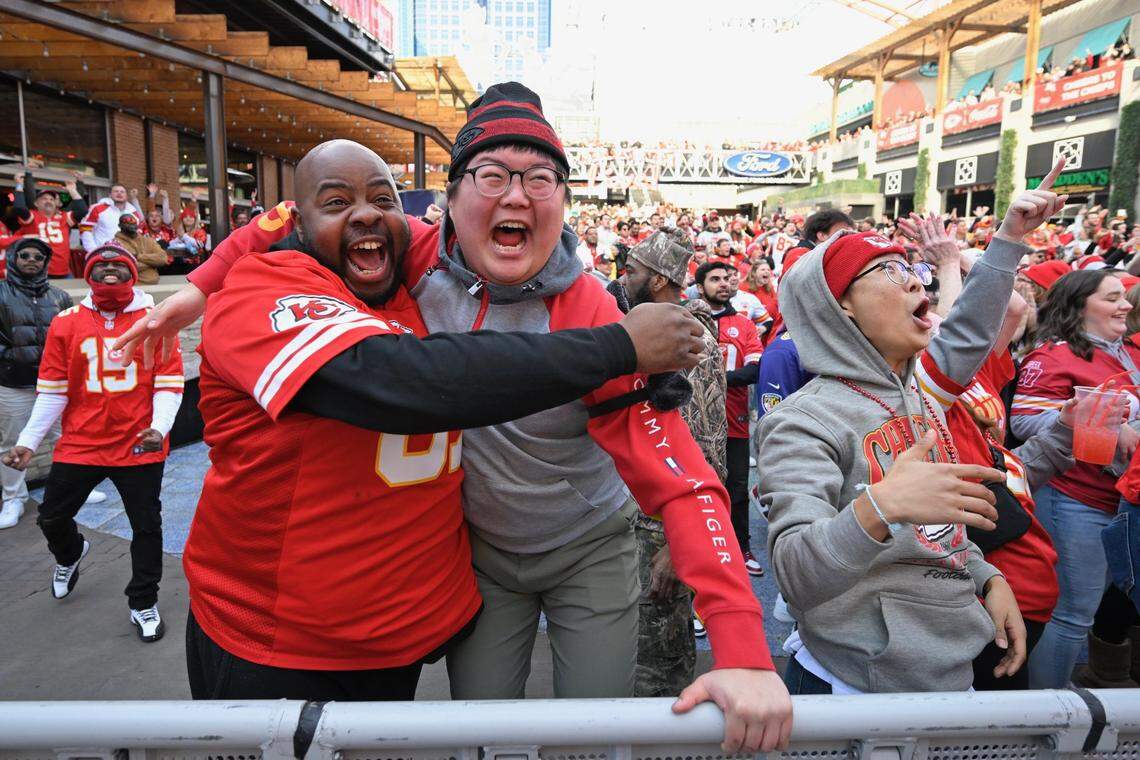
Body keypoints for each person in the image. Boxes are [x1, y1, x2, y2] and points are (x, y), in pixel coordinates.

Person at [119, 86, 793, 752]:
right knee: (482, 738)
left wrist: (743, 646)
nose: (515, 196)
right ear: (452, 202)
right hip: (404, 590)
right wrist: (204, 283)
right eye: (492, 176)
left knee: (589, 734)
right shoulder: (404, 260)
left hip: (570, 549)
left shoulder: (584, 305)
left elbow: (681, 476)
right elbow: (311, 229)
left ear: (565, 201)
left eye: (540, 178)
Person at [178, 139, 707, 705]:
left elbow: (476, 222)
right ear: (298, 225)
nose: (364, 214)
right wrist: (616, 347)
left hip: (391, 641)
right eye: (334, 204)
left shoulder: (403, 281)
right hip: (279, 646)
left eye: (383, 198)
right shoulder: (265, 285)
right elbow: (403, 381)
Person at [758, 164, 1068, 694]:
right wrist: (877, 508)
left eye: (911, 269)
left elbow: (939, 533)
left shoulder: (922, 399)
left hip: (948, 670)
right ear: (842, 308)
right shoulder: (802, 420)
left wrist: (985, 577)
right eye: (885, 271)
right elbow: (795, 573)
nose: (912, 279)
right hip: (855, 688)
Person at [2, 245, 183, 642]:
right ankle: (70, 553)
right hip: (82, 441)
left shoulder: (156, 319)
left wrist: (159, 427)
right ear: (88, 274)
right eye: (102, 265)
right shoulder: (66, 322)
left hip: (138, 442)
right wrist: (29, 443)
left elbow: (168, 384)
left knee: (146, 527)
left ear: (134, 272)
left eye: (120, 263)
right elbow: (53, 391)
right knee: (51, 516)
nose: (111, 269)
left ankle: (142, 601)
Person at [1014, 269, 1140, 689]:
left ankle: (1063, 695)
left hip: (1120, 502)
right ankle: (1046, 713)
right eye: (1112, 298)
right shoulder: (1054, 355)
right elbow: (1025, 420)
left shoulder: (1127, 352)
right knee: (1072, 612)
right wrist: (1101, 420)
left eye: (1124, 297)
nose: (1125, 305)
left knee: (1091, 608)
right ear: (1080, 304)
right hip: (1076, 500)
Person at [615, 230, 728, 697]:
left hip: (662, 527)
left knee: (657, 668)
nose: (624, 277)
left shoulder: (690, 340)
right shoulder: (648, 329)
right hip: (630, 522)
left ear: (659, 280)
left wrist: (681, 544)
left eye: (634, 270)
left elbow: (709, 445)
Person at [695, 260, 764, 577]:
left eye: (727, 278)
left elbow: (754, 371)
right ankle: (699, 551)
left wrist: (713, 378)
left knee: (737, 487)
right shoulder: (687, 320)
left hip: (734, 421)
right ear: (700, 286)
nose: (723, 283)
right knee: (698, 489)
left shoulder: (745, 325)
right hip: (694, 424)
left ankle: (741, 547)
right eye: (714, 279)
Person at [0, 238, 74, 528]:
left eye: (39, 256)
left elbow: (71, 338)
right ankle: (13, 499)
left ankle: (72, 488)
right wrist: (12, 358)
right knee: (11, 443)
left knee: (67, 438)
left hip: (54, 386)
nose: (32, 260)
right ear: (14, 258)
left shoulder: (59, 296)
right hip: (14, 383)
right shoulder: (1, 293)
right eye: (25, 255)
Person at [9, 172, 89, 279]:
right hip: (39, 272)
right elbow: (19, 208)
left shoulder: (64, 217)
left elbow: (83, 210)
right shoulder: (32, 216)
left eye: (51, 199)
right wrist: (19, 185)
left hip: (64, 271)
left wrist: (72, 190)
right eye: (44, 199)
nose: (49, 201)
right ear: (36, 204)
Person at [79, 185, 144, 253]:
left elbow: (138, 233)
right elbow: (85, 229)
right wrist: (93, 250)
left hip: (128, 255)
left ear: (126, 196)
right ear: (110, 195)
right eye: (116, 191)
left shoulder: (133, 212)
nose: (119, 193)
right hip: (103, 254)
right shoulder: (98, 208)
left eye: (122, 192)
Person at [112, 214, 169, 285]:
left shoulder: (147, 240)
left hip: (154, 284)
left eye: (133, 223)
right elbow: (125, 267)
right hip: (132, 287)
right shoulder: (115, 243)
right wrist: (152, 263)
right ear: (120, 225)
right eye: (127, 223)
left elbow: (163, 258)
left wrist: (139, 257)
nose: (131, 225)